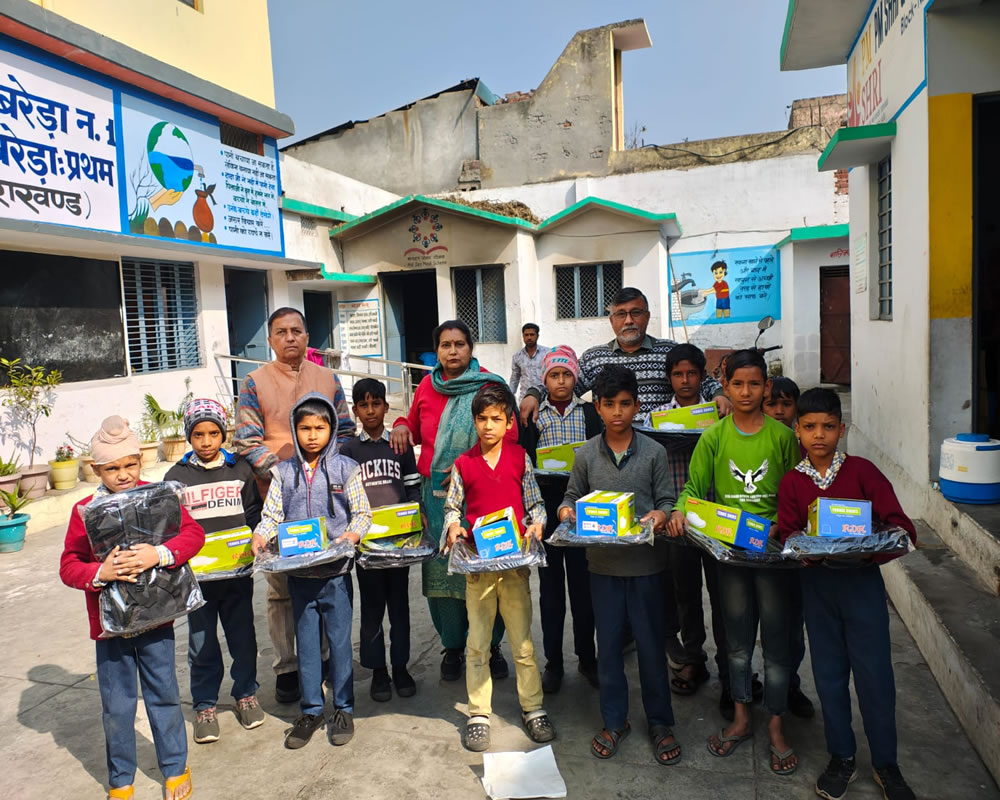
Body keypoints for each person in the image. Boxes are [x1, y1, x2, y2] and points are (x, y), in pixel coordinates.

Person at [778, 388, 918, 800]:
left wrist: (868, 548)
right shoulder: (793, 482)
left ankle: (886, 764)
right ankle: (841, 756)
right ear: (797, 431)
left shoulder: (862, 472)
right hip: (818, 588)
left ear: (842, 429)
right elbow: (788, 535)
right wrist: (809, 549)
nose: (819, 435)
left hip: (862, 586)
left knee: (876, 677)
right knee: (829, 675)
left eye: (828, 426)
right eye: (809, 427)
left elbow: (901, 528)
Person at [667, 349, 800, 776]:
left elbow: (797, 493)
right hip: (732, 557)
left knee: (776, 644)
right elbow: (693, 489)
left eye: (754, 384)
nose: (746, 392)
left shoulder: (783, 438)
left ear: (766, 387)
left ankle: (776, 725)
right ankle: (742, 718)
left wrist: (781, 524)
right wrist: (679, 512)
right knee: (737, 643)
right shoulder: (714, 437)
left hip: (773, 556)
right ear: (724, 386)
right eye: (737, 384)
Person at [59, 416, 203, 800]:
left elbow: (193, 534)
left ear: (141, 460)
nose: (123, 474)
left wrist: (160, 553)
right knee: (117, 707)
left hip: (157, 620)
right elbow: (69, 565)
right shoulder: (85, 511)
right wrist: (99, 572)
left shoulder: (158, 498)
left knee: (164, 696)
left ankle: (175, 767)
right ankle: (121, 778)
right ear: (96, 469)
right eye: (112, 468)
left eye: (130, 464)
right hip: (111, 630)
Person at [558, 365, 681, 766]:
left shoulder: (654, 452)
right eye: (609, 404)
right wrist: (565, 512)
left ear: (637, 406)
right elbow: (571, 496)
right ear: (597, 407)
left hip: (647, 567)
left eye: (625, 404)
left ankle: (660, 722)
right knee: (608, 649)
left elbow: (666, 500)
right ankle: (615, 721)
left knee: (651, 649)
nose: (617, 412)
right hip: (603, 568)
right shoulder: (585, 454)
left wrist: (661, 515)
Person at [236, 307, 353, 705]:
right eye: (282, 332)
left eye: (297, 331)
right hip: (276, 494)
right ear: (270, 339)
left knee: (325, 577)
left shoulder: (327, 378)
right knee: (283, 588)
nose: (290, 338)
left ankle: (324, 659)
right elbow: (247, 438)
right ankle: (288, 665)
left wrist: (326, 471)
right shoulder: (254, 382)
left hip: (328, 495)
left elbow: (345, 429)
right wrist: (287, 472)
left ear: (307, 337)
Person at [390, 320, 510, 682]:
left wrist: (468, 466)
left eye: (459, 344)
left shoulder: (490, 386)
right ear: (437, 351)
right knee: (443, 574)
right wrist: (400, 424)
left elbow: (509, 436)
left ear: (470, 348)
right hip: (436, 498)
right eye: (445, 345)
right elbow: (412, 424)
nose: (453, 351)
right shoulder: (428, 386)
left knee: (487, 567)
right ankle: (453, 645)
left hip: (483, 492)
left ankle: (490, 644)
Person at [251, 393, 371, 750]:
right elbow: (272, 514)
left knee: (339, 644)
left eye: (320, 427)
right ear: (295, 429)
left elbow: (362, 513)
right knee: (305, 646)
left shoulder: (345, 469)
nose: (313, 435)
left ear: (331, 429)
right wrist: (261, 534)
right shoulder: (283, 472)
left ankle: (344, 709)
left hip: (335, 575)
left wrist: (351, 536)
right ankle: (311, 710)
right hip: (299, 577)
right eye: (305, 428)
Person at [444, 383, 554, 752]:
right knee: (477, 643)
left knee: (522, 642)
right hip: (478, 566)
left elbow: (535, 504)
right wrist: (453, 527)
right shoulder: (464, 464)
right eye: (482, 419)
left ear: (509, 423)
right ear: (474, 422)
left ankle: (533, 707)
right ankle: (478, 713)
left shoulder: (520, 458)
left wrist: (537, 525)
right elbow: (453, 508)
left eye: (496, 419)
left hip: (515, 567)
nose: (488, 426)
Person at [165, 399, 264, 745]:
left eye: (213, 433)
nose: (206, 441)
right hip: (198, 581)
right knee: (201, 643)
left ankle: (246, 694)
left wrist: (256, 539)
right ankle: (205, 705)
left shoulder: (240, 470)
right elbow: (172, 526)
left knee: (243, 638)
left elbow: (253, 513)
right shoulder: (176, 477)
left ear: (224, 434)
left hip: (237, 575)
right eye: (198, 434)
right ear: (188, 436)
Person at [641, 344, 730, 709]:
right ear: (669, 379)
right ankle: (694, 660)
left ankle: (730, 671)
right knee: (686, 597)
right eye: (678, 374)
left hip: (717, 522)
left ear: (701, 376)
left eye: (692, 373)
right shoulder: (657, 419)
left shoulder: (719, 414)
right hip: (678, 525)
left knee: (724, 599)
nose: (685, 380)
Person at [518, 287, 730, 424]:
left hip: (662, 448)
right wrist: (533, 395)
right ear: (612, 321)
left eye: (635, 313)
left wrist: (719, 394)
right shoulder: (594, 358)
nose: (629, 320)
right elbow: (561, 385)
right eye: (621, 314)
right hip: (609, 448)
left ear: (647, 317)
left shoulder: (669, 351)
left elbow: (700, 381)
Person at [518, 345, 601, 694]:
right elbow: (525, 461)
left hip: (582, 509)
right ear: (545, 379)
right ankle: (554, 663)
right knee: (551, 593)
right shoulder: (534, 416)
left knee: (584, 590)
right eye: (554, 375)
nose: (562, 381)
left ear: (575, 377)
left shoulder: (590, 414)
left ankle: (587, 658)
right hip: (547, 508)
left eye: (567, 374)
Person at [340, 378, 421, 703]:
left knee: (399, 606)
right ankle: (378, 671)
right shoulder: (349, 451)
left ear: (386, 407)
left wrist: (417, 517)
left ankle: (400, 667)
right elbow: (344, 497)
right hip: (366, 546)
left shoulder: (399, 445)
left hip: (399, 544)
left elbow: (412, 486)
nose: (371, 410)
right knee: (372, 608)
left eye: (376, 404)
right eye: (364, 405)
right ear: (355, 410)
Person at [761, 375, 814, 719]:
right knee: (758, 621)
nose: (779, 411)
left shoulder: (810, 448)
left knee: (793, 624)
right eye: (772, 404)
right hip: (759, 542)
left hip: (797, 549)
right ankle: (743, 686)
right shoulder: (757, 440)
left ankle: (789, 686)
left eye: (786, 404)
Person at [509, 322, 550, 403]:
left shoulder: (547, 353)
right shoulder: (517, 356)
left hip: (545, 398)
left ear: (537, 336)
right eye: (526, 335)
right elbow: (515, 378)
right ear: (523, 336)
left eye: (532, 334)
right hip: (525, 398)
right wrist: (509, 396)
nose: (529, 337)